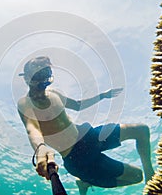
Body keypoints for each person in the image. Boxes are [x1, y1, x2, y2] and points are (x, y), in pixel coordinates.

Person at [17, 56, 154, 195]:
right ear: (27, 79)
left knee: (141, 130)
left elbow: (77, 105)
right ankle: (85, 183)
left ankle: (151, 178)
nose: (43, 79)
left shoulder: (54, 93)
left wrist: (102, 96)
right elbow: (32, 128)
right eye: (38, 74)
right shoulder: (25, 103)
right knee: (137, 176)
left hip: (89, 136)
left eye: (46, 73)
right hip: (77, 158)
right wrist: (40, 149)